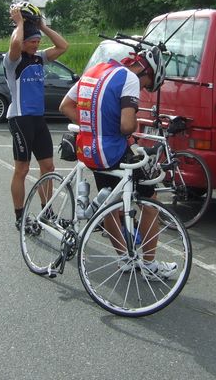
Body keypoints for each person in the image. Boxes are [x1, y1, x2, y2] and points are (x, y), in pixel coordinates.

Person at [58, 46, 177, 281]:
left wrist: (94, 127)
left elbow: (65, 106)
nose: (142, 89)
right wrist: (126, 126)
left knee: (109, 204)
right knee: (151, 203)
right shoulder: (130, 78)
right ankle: (150, 265)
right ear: (145, 71)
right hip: (112, 152)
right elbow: (126, 126)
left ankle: (124, 258)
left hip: (90, 151)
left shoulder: (94, 70)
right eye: (146, 85)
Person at [5, 2, 68, 230]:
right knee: (22, 169)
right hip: (20, 119)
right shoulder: (13, 61)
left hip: (38, 119)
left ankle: (47, 211)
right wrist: (19, 23)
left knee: (48, 167)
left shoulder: (39, 58)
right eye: (32, 41)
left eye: (38, 41)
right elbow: (15, 44)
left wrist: (42, 27)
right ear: (23, 41)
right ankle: (20, 216)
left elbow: (63, 46)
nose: (36, 44)